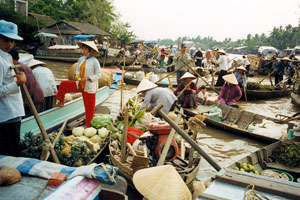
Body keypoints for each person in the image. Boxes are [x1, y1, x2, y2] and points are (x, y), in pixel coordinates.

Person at [56, 41, 101, 127]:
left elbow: (98, 75)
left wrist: (88, 78)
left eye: (85, 49)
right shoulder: (81, 59)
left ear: (90, 51)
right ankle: (61, 101)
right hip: (80, 84)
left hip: (89, 87)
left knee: (89, 109)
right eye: (83, 49)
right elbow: (77, 69)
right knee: (63, 84)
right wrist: (78, 75)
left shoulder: (95, 61)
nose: (83, 51)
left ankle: (88, 126)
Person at [0, 20, 26, 156]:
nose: (9, 44)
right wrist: (17, 83)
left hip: (13, 114)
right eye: (5, 40)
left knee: (12, 153)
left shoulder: (8, 57)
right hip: (7, 116)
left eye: (12, 41)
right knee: (9, 156)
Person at [9, 49, 44, 117]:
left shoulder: (19, 67)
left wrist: (26, 100)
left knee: (31, 121)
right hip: (33, 97)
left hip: (33, 98)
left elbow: (30, 83)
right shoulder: (20, 66)